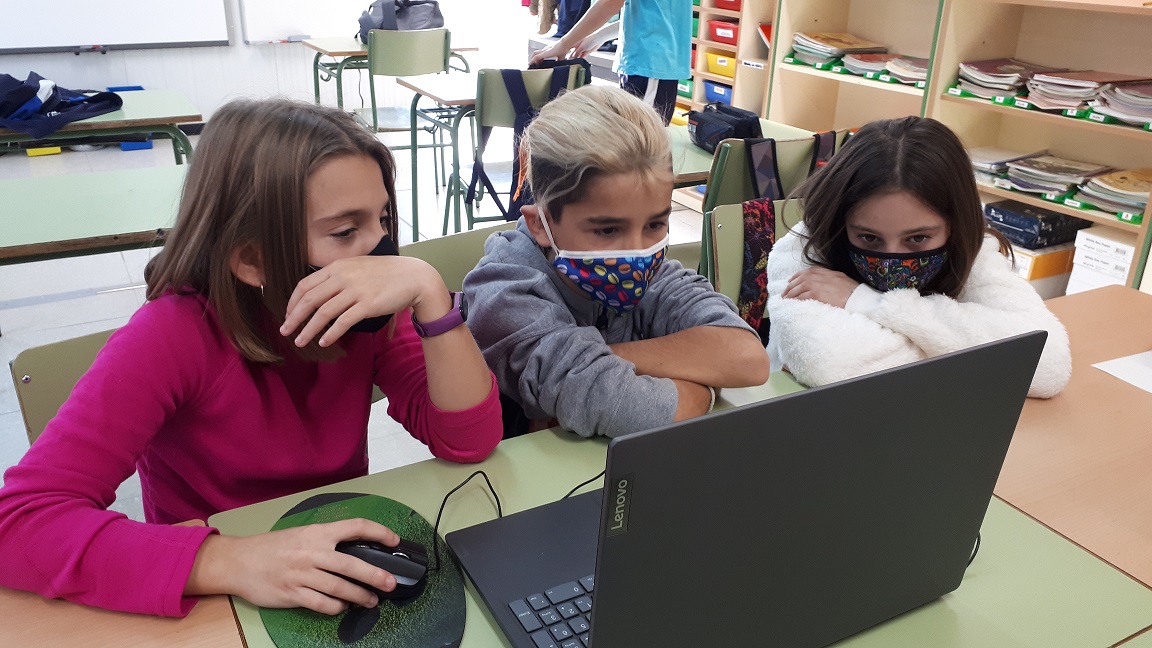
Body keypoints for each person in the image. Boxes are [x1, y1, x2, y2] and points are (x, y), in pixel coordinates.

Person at [0, 99, 503, 617]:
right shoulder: (170, 337)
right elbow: (19, 521)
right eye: (344, 232)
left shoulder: (365, 314)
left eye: (384, 220)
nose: (382, 253)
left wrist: (428, 290)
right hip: (216, 592)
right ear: (252, 259)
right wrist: (232, 560)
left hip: (326, 558)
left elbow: (469, 439)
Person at [463, 85, 770, 439]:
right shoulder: (505, 293)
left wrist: (601, 359)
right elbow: (641, 408)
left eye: (655, 225)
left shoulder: (652, 272)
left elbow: (747, 358)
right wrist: (701, 385)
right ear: (540, 225)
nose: (637, 252)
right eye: (608, 230)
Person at [765, 116, 1071, 398]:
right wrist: (961, 352)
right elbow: (831, 366)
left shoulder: (971, 250)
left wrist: (868, 302)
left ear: (954, 224)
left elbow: (1047, 363)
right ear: (842, 220)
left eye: (917, 238)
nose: (891, 258)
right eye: (869, 237)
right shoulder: (804, 247)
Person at [527, 0, 691, 125]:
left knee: (641, 146)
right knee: (634, 141)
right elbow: (650, 13)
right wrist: (598, 37)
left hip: (649, 64)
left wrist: (563, 44)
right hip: (647, 62)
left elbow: (611, 3)